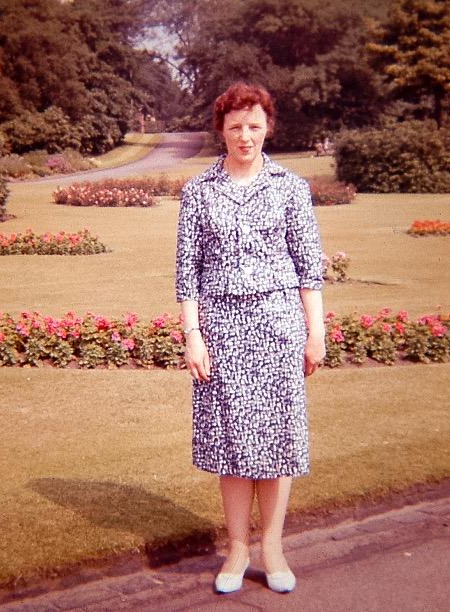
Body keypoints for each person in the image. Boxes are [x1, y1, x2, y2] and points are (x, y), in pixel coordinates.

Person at [175, 82, 325, 594]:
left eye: (254, 126)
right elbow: (186, 274)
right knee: (233, 441)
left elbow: (309, 269)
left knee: (277, 440)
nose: (245, 136)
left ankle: (273, 547)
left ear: (268, 129)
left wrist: (315, 332)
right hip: (220, 332)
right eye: (235, 126)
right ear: (221, 129)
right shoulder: (198, 192)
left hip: (278, 328)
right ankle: (237, 548)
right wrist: (193, 337)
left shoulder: (290, 187)